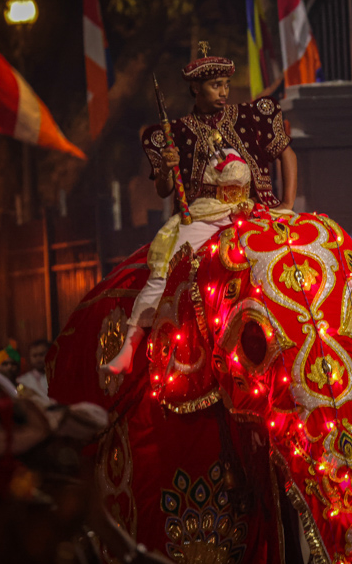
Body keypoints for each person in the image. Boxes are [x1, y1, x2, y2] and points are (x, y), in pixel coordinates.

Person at [103, 45, 297, 375]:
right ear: (195, 88)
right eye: (215, 85)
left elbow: (287, 153)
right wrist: (167, 168)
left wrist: (288, 202)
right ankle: (130, 347)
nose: (223, 92)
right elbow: (164, 189)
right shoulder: (176, 132)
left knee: (295, 249)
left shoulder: (250, 118)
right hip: (205, 213)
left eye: (226, 84)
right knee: (165, 270)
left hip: (252, 210)